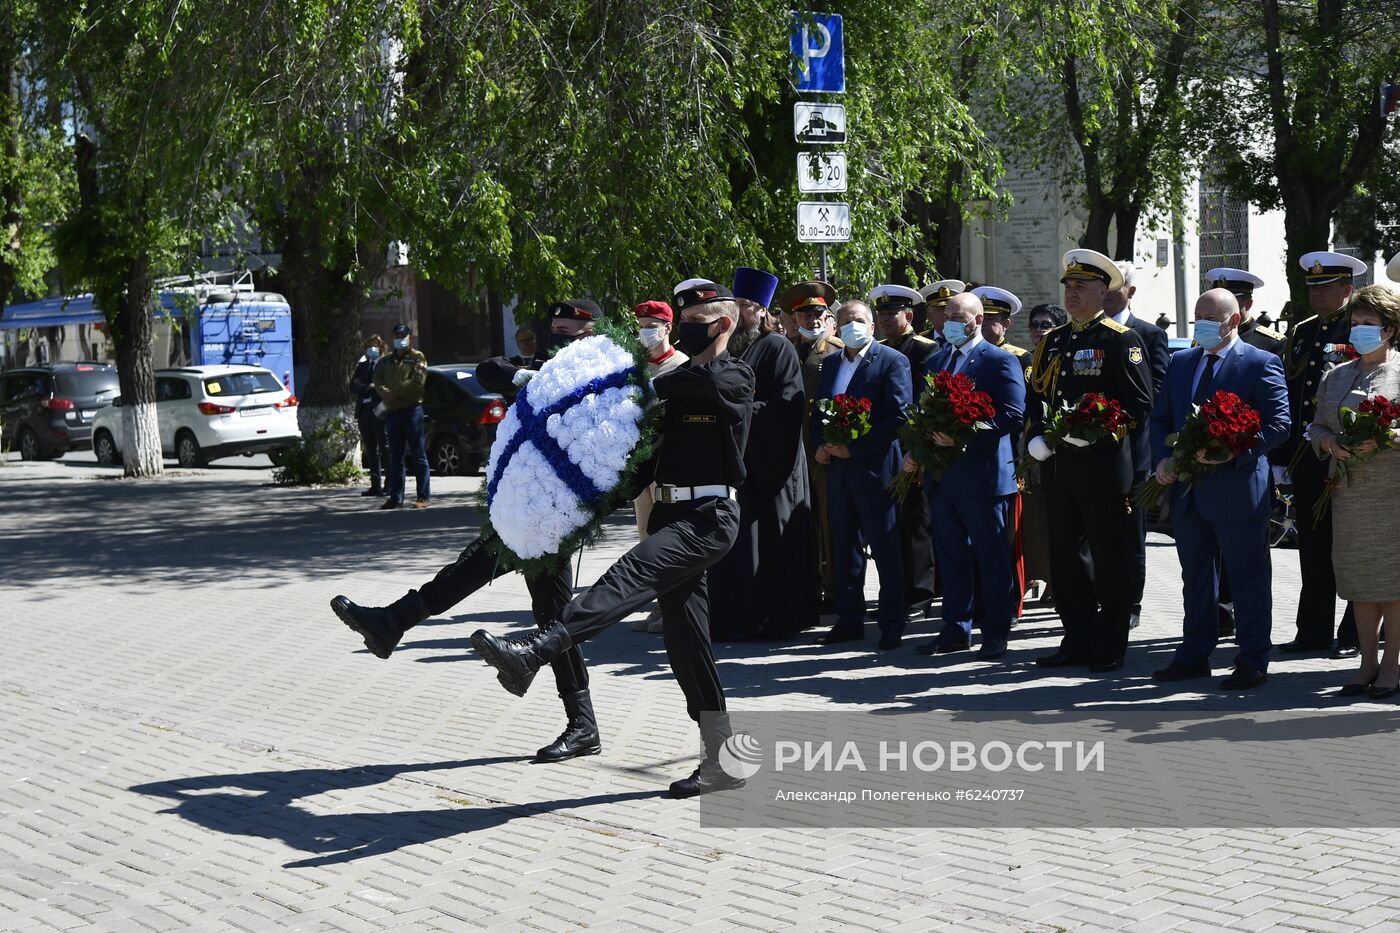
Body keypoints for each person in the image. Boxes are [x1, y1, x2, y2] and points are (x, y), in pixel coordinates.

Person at [469, 295, 755, 799]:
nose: (686, 329)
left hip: (710, 516)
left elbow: (696, 383)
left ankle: (537, 651)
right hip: (667, 509)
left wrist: (639, 386)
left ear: (724, 324)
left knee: (629, 575)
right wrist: (579, 508)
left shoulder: (734, 375)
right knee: (687, 645)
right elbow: (640, 465)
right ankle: (724, 759)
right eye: (682, 321)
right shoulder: (664, 387)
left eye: (694, 322)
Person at [329, 299, 609, 764]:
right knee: (541, 612)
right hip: (527, 507)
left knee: (545, 615)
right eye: (554, 329)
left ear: (592, 332)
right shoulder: (544, 367)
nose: (559, 338)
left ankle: (391, 625)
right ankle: (391, 625)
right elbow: (489, 369)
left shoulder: (600, 374)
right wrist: (525, 375)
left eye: (570, 331)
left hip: (557, 512)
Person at [1148, 289, 1290, 690]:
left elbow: (1279, 425)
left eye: (1211, 318)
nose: (1202, 325)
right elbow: (1161, 419)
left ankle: (1252, 658)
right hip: (1187, 492)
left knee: (1247, 578)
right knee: (1194, 577)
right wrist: (1163, 458)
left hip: (1238, 489)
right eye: (1197, 316)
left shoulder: (1261, 363)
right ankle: (1194, 655)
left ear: (1234, 321)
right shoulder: (1181, 362)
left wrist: (1232, 450)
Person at [1025, 249, 1153, 672]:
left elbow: (1138, 404)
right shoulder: (1056, 340)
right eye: (1068, 286)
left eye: (1082, 286)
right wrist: (1036, 440)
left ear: (1104, 291)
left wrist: (1093, 430)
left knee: (1109, 560)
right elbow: (1038, 400)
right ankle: (1075, 638)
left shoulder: (1119, 339)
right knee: (1066, 562)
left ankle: (1110, 643)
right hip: (1061, 470)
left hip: (1101, 470)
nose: (1073, 293)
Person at [904, 291, 1025, 659]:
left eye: (958, 316)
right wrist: (919, 446)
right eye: (946, 315)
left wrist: (967, 433)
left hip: (984, 477)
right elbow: (925, 412)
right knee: (952, 556)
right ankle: (955, 628)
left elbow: (1011, 415)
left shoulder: (998, 360)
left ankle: (995, 632)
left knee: (990, 558)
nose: (949, 321)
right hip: (944, 477)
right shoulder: (938, 360)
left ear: (976, 319)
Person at [711, 268, 816, 640]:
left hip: (774, 466)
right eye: (735, 305)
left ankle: (774, 620)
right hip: (738, 463)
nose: (740, 313)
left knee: (771, 544)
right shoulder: (730, 348)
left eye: (747, 306)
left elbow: (788, 407)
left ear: (762, 310)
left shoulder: (777, 347)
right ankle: (736, 618)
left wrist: (739, 410)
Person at [1307, 284, 1400, 697]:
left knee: (1392, 586)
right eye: (1356, 323)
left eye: (1370, 324)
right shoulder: (1336, 375)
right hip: (1348, 495)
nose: (1360, 330)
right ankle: (1366, 663)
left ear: (1391, 329)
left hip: (1391, 495)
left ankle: (1392, 666)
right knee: (1360, 584)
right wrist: (1329, 443)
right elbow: (1317, 426)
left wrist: (1389, 437)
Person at [1276, 250, 1368, 658]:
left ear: (1347, 290)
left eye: (1326, 287)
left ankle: (1355, 632)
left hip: (1354, 454)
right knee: (1312, 545)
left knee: (1351, 543)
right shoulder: (1304, 330)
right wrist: (1285, 454)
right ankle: (1312, 631)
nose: (1316, 294)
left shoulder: (1365, 327)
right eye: (1312, 287)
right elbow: (1295, 396)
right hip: (1310, 454)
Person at [813, 299, 913, 649]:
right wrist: (821, 446)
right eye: (845, 322)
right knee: (844, 546)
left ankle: (891, 621)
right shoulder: (830, 364)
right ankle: (850, 618)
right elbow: (819, 413)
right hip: (837, 470)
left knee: (885, 547)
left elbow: (898, 418)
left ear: (871, 326)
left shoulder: (893, 361)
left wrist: (855, 448)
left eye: (859, 320)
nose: (852, 326)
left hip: (875, 469)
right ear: (837, 328)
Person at [1101, 262, 1167, 631]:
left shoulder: (1148, 333)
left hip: (1132, 452)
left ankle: (1131, 601)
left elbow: (1154, 390)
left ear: (1131, 292)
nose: (1107, 293)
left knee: (1130, 536)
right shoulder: (1089, 333)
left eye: (1114, 286)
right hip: (1093, 453)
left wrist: (1112, 417)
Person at [871, 283, 938, 615]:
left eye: (891, 313)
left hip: (913, 444)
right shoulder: (880, 349)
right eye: (881, 314)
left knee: (916, 520)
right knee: (892, 523)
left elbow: (926, 401)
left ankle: (921, 592)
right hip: (887, 446)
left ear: (909, 315)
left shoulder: (925, 350)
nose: (884, 319)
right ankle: (897, 590)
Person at [629, 299, 690, 634]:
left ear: (668, 328)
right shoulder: (635, 368)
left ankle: (673, 609)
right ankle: (657, 606)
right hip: (641, 463)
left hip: (669, 463)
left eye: (651, 325)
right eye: (641, 325)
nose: (645, 332)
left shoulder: (682, 365)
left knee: (666, 535)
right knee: (645, 536)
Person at [782, 281, 844, 608]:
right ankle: (808, 586)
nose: (813, 319)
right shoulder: (786, 348)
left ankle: (834, 588)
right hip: (795, 451)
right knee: (802, 522)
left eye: (818, 312)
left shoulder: (837, 349)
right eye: (805, 314)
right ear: (795, 318)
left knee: (829, 522)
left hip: (825, 451)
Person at [1020, 303, 1068, 604]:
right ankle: (1035, 575)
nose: (1039, 330)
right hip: (1027, 450)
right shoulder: (1025, 361)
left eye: (1046, 324)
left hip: (1058, 451)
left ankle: (1058, 580)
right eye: (1035, 324)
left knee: (1057, 520)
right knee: (1033, 519)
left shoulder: (1063, 360)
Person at [373, 323, 430, 510]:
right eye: (396, 335)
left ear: (409, 338)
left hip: (412, 411)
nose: (399, 338)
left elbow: (417, 383)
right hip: (393, 414)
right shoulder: (386, 361)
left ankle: (423, 497)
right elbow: (377, 380)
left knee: (418, 455)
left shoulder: (417, 358)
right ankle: (396, 498)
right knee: (395, 457)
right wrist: (384, 392)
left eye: (402, 335)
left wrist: (393, 393)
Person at [1204, 268, 1284, 356]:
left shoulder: (1271, 343)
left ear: (1248, 304)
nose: (1219, 307)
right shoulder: (1205, 339)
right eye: (1216, 301)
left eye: (1227, 302)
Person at [349, 335, 390, 498]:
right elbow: (353, 386)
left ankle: (389, 485)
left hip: (379, 410)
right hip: (363, 411)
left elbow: (382, 386)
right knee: (371, 450)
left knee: (385, 449)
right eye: (369, 346)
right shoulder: (363, 365)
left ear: (381, 347)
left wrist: (368, 386)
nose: (371, 349)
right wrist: (368, 386)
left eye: (375, 346)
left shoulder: (384, 365)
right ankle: (375, 486)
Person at [976, 286, 1031, 372]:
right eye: (980, 318)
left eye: (989, 318)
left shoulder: (1020, 358)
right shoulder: (968, 353)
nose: (982, 323)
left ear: (1005, 324)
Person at [918, 279, 966, 347]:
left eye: (952, 308)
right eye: (941, 308)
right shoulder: (919, 342)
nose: (947, 313)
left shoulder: (967, 340)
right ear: (929, 314)